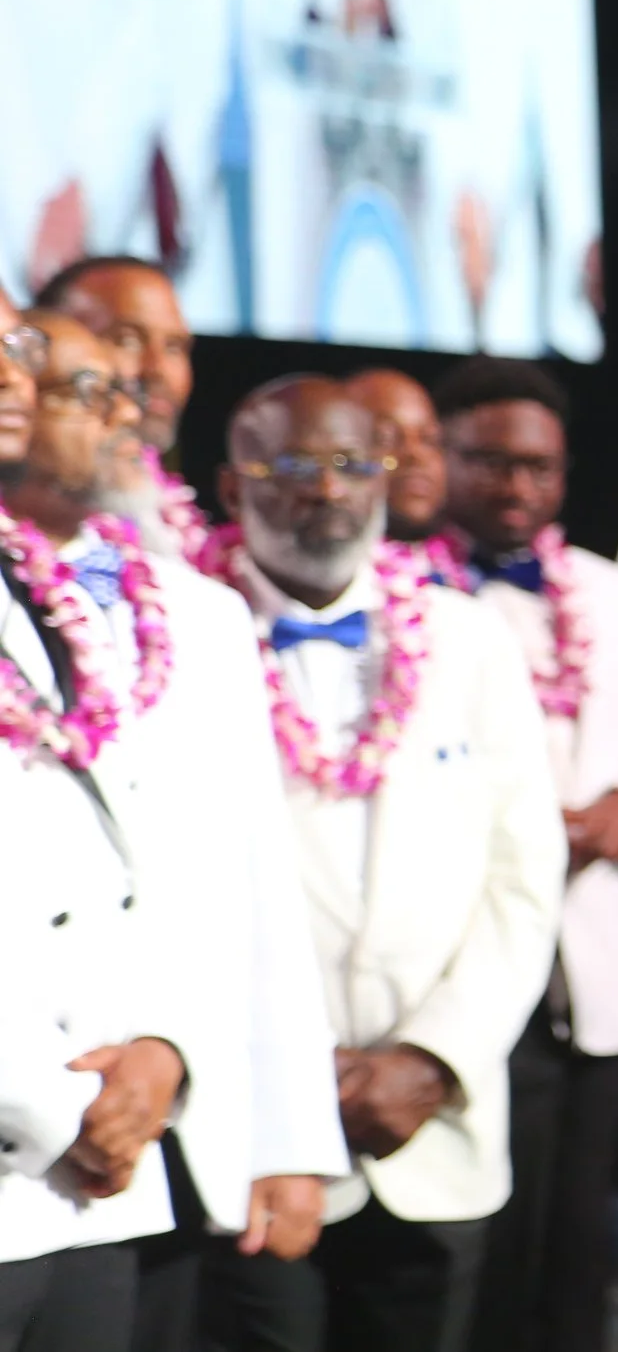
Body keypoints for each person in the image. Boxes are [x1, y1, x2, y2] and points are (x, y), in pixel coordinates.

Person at [201, 378, 565, 1352]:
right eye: (295, 463)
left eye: (353, 463)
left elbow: (524, 873)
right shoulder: (186, 635)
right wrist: (282, 1071)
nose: (329, 489)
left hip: (429, 1126)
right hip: (249, 1134)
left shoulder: (468, 638)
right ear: (234, 487)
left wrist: (433, 1059)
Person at [12, 313, 349, 1352]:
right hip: (46, 1118)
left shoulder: (196, 613)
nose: (128, 414)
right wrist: (56, 1106)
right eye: (88, 392)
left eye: (129, 392)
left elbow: (248, 884)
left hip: (141, 1140)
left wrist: (188, 1064)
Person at [430, 357, 618, 1352]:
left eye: (536, 466)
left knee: (580, 1242)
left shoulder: (602, 589)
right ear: (441, 457)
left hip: (585, 952)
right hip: (459, 944)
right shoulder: (411, 590)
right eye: (489, 460)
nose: (516, 484)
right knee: (479, 1245)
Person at [0, 301, 196, 1352]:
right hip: (50, 1128)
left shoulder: (46, 588)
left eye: (20, 349)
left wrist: (160, 1049)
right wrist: (56, 1108)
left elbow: (126, 861)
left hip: (86, 1179)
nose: (12, 375)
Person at [36, 257, 208, 561]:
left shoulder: (179, 528)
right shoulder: (29, 529)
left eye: (174, 346)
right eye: (126, 340)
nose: (158, 369)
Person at [344, 371, 450, 550]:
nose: (415, 455)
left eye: (430, 439)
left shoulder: (467, 562)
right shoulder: (320, 565)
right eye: (386, 438)